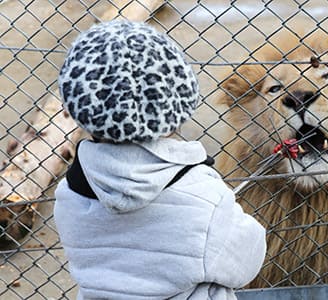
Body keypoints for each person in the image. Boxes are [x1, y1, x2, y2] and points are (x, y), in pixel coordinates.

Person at [54, 20, 266, 300]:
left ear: (77, 102)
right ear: (179, 98)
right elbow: (246, 262)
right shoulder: (204, 195)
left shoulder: (69, 193)